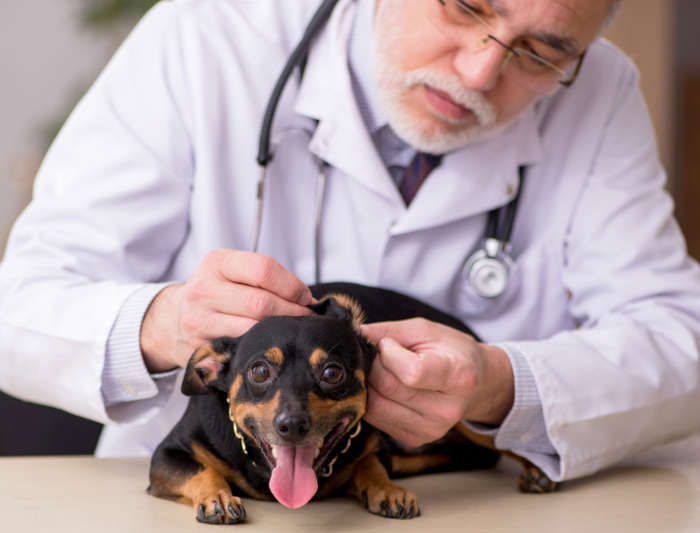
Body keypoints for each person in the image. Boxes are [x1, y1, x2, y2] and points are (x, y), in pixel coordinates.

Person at [0, 0, 699, 485]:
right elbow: (19, 306)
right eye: (462, 6)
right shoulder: (203, 39)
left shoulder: (600, 92)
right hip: (197, 504)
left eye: (542, 52)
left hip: (457, 516)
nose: (481, 70)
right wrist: (163, 323)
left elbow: (680, 339)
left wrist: (501, 384)